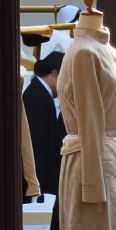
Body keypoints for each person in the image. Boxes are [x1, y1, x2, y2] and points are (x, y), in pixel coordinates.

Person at [22, 50, 66, 195]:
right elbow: (38, 146)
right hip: (42, 182)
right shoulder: (37, 96)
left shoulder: (40, 93)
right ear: (54, 73)